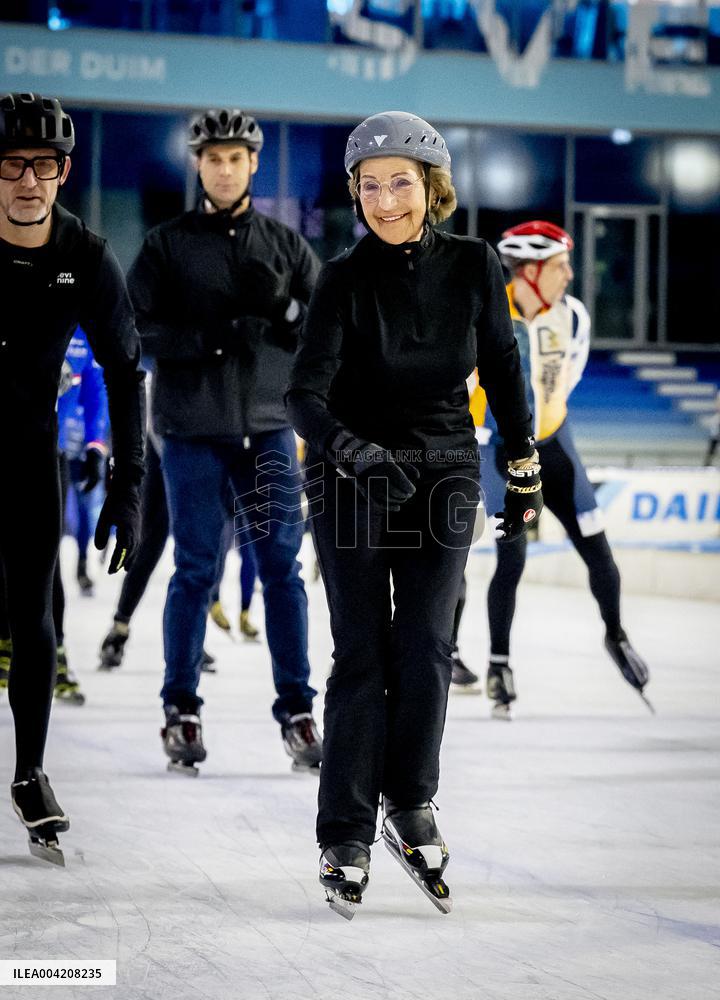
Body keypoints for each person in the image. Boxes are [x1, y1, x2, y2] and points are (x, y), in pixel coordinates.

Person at [287, 111, 542, 918]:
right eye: (370, 185)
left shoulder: (473, 265)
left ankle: (411, 801)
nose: (386, 199)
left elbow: (502, 367)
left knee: (428, 643)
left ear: (431, 187)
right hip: (353, 476)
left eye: (402, 182)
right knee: (362, 653)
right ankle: (344, 830)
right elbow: (302, 396)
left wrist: (523, 460)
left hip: (444, 469)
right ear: (355, 193)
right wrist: (360, 457)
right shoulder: (341, 279)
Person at [127, 107, 322, 774]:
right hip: (191, 432)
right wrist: (205, 340)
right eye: (214, 157)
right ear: (198, 163)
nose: (225, 168)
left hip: (267, 430)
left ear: (253, 163)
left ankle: (298, 711)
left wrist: (285, 309)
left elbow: (324, 331)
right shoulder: (166, 245)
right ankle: (181, 709)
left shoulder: (285, 246)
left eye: (236, 158)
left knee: (281, 571)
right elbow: (134, 333)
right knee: (194, 568)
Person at [0, 92, 145, 863]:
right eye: (14, 164)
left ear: (63, 172)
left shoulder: (85, 256)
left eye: (45, 166)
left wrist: (129, 486)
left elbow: (126, 373)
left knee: (36, 619)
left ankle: (29, 773)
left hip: (26, 458)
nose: (30, 181)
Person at [476, 219, 652, 718]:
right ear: (528, 272)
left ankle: (616, 635)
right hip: (500, 451)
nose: (570, 275)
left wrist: (545, 433)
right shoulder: (485, 316)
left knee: (598, 547)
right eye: (559, 266)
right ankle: (499, 664)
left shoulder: (573, 316)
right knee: (512, 558)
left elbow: (564, 382)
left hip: (554, 444)